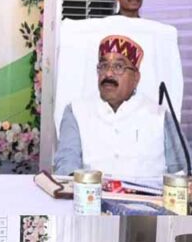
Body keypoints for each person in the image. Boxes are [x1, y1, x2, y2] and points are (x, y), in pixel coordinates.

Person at [54, 35, 187, 177]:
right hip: (93, 191)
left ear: (136, 77)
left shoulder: (160, 116)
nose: (108, 73)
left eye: (118, 67)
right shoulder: (75, 111)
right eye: (103, 66)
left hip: (149, 192)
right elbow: (66, 167)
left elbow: (183, 171)